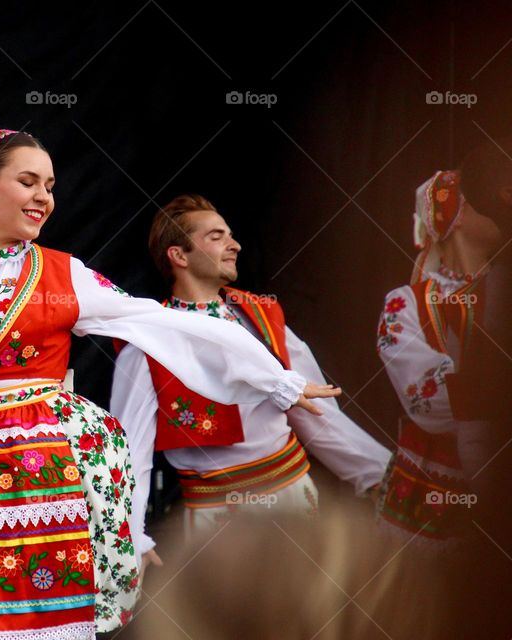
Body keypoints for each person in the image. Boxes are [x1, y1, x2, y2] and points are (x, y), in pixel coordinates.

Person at [0, 128, 339, 640]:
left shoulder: (64, 274)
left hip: (51, 480)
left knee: (51, 621)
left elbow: (160, 322)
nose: (44, 197)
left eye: (50, 186)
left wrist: (274, 378)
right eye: (28, 182)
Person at [111, 194, 391, 572]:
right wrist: (133, 536)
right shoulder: (150, 342)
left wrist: (376, 475)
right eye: (216, 236)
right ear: (179, 256)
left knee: (312, 602)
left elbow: (317, 413)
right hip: (218, 517)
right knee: (231, 608)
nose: (235, 245)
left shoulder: (261, 315)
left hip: (294, 498)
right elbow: (129, 451)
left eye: (230, 234)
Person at [376, 170, 502, 544]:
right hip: (434, 491)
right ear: (457, 216)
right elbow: (427, 401)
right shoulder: (406, 303)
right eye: (482, 201)